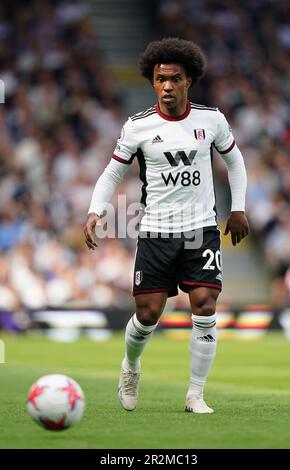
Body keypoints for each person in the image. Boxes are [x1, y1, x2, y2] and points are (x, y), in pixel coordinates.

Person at [84, 38, 249, 414]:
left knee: (205, 306)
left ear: (189, 79)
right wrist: (96, 210)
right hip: (157, 230)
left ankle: (195, 395)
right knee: (147, 314)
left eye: (175, 78)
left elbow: (235, 162)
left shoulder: (211, 120)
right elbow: (113, 172)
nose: (167, 86)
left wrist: (237, 209)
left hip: (201, 228)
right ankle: (130, 366)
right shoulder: (137, 127)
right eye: (160, 80)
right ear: (152, 82)